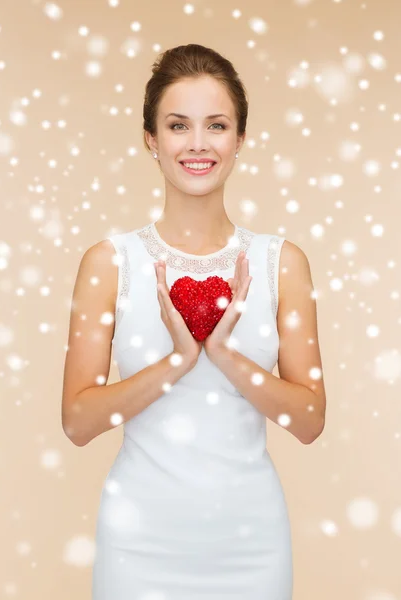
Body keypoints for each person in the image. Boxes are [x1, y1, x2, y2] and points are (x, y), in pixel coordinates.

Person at [62, 43, 326, 600]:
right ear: (151, 140)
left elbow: (308, 420)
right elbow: (78, 422)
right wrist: (177, 362)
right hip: (139, 543)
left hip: (251, 543)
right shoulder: (110, 263)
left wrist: (227, 358)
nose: (198, 144)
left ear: (240, 140)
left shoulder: (282, 263)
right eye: (179, 125)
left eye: (217, 125)